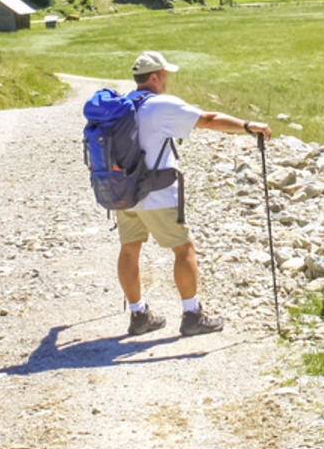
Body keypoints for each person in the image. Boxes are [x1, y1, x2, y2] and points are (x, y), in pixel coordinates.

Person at [116, 50, 272, 337]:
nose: (167, 80)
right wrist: (247, 126)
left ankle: (138, 315)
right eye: (165, 75)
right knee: (184, 248)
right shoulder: (162, 105)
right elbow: (208, 119)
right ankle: (191, 315)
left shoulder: (122, 106)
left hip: (122, 192)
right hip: (157, 192)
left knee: (129, 249)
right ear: (154, 77)